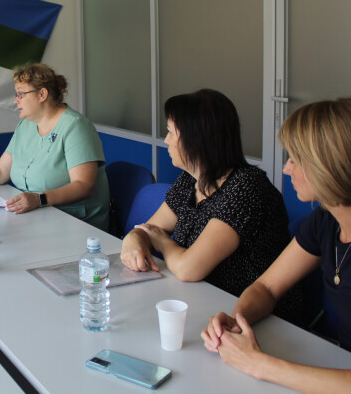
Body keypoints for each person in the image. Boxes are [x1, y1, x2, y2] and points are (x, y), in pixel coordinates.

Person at [201, 98, 351, 392]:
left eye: (295, 160)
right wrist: (238, 321)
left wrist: (258, 364)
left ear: (330, 167)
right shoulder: (327, 218)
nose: (286, 169)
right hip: (347, 367)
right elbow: (266, 288)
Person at [121, 89, 300, 321]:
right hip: (201, 301)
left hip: (251, 315)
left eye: (171, 132)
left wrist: (162, 242)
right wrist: (134, 238)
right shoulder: (191, 179)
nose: (166, 140)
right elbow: (149, 228)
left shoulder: (246, 187)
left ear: (197, 140)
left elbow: (188, 268)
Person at [0, 63, 109, 231]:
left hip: (77, 225)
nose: (15, 100)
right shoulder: (26, 125)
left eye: (21, 94)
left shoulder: (76, 126)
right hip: (39, 217)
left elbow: (84, 186)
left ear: (42, 94)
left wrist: (39, 199)